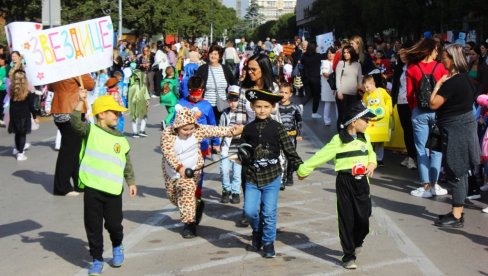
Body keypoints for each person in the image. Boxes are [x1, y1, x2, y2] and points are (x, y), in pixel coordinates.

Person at [297, 101, 377, 269]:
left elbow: (371, 154)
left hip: (362, 182)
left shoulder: (366, 138)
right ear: (354, 121)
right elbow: (321, 155)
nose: (368, 123)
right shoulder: (338, 140)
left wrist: (372, 164)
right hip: (345, 182)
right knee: (346, 219)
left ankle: (357, 241)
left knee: (364, 219)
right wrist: (304, 170)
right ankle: (348, 256)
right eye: (366, 120)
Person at [71, 92, 137, 275]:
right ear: (102, 114)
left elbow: (126, 162)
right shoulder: (90, 130)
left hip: (113, 190)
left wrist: (130, 181)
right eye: (114, 112)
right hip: (93, 188)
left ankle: (117, 245)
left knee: (115, 225)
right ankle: (97, 259)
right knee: (93, 227)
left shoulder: (120, 139)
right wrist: (80, 101)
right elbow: (75, 123)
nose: (118, 116)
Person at [161, 106, 243, 238]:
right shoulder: (167, 134)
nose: (188, 132)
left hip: (192, 170)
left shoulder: (198, 130)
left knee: (186, 192)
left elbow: (216, 130)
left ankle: (189, 225)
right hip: (172, 170)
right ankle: (196, 204)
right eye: (184, 129)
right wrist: (179, 168)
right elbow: (168, 153)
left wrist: (234, 131)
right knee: (174, 198)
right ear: (176, 127)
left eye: (190, 128)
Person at [241, 88, 303, 258]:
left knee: (269, 212)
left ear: (272, 108)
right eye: (259, 106)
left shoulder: (278, 128)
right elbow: (242, 152)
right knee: (249, 211)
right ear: (252, 106)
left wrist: (299, 167)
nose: (262, 110)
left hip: (272, 178)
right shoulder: (247, 129)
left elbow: (290, 150)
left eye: (266, 106)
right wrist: (242, 156)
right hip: (252, 178)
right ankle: (257, 231)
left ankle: (268, 242)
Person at [430, 44, 480, 228]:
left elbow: (433, 103)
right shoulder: (465, 79)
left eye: (444, 57)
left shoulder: (452, 81)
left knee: (457, 171)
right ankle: (457, 211)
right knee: (458, 171)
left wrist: (437, 85)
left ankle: (457, 216)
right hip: (462, 127)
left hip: (456, 130)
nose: (442, 60)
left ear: (452, 58)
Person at [405, 38, 449, 198]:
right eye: (436, 49)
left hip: (420, 111)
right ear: (431, 49)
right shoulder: (442, 67)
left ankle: (425, 186)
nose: (438, 51)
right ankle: (435, 184)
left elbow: (410, 94)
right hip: (439, 112)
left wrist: (413, 110)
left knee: (421, 149)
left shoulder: (412, 68)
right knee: (437, 149)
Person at [49, 74, 95, 196]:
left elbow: (50, 87)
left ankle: (79, 183)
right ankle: (62, 186)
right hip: (72, 110)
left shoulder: (55, 69)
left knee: (74, 149)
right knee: (69, 150)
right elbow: (90, 84)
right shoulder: (76, 69)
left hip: (58, 109)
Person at [391, 44, 417, 169]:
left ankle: (414, 157)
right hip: (401, 102)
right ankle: (410, 155)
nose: (403, 56)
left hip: (412, 102)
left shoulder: (414, 67)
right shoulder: (399, 69)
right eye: (400, 54)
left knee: (412, 130)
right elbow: (395, 87)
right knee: (406, 130)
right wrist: (392, 103)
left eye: (405, 53)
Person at [196, 44, 236, 122]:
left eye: (215, 54)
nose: (213, 56)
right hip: (206, 106)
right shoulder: (202, 69)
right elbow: (196, 84)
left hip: (223, 106)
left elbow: (234, 84)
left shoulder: (225, 69)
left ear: (219, 56)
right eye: (211, 53)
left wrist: (232, 99)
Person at [219, 86, 243, 204]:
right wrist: (217, 143)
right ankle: (226, 190)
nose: (233, 103)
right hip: (225, 148)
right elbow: (220, 129)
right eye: (230, 100)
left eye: (235, 100)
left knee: (237, 173)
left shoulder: (244, 114)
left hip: (238, 149)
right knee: (224, 170)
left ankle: (235, 192)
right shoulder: (225, 114)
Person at [361, 75, 392, 166]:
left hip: (381, 119)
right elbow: (364, 106)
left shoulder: (381, 91)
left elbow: (388, 99)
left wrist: (389, 110)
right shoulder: (366, 95)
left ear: (373, 83)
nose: (366, 89)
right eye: (364, 87)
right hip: (371, 120)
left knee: (379, 140)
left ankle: (379, 159)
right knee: (371, 139)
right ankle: (371, 158)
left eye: (367, 87)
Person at [8, 69, 38, 161]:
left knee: (17, 133)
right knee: (22, 134)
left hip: (14, 115)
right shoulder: (27, 92)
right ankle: (20, 153)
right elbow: (31, 106)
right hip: (24, 115)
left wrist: (11, 117)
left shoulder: (12, 90)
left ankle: (17, 149)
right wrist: (35, 116)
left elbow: (11, 105)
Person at [278, 82, 303, 189]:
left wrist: (299, 134)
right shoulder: (275, 107)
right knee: (280, 157)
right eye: (281, 92)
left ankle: (289, 175)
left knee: (290, 157)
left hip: (291, 137)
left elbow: (299, 122)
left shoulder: (295, 107)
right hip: (279, 136)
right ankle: (281, 178)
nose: (283, 94)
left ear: (290, 94)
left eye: (286, 92)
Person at [336, 45, 363, 129]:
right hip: (342, 94)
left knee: (352, 115)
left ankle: (349, 132)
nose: (345, 54)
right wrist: (339, 92)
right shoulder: (341, 63)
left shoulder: (358, 65)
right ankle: (341, 133)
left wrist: (362, 90)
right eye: (344, 52)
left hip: (354, 95)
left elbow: (359, 80)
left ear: (352, 53)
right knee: (342, 115)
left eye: (347, 52)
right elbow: (337, 78)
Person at [300, 42, 323, 118]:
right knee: (316, 96)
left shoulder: (304, 55)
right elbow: (325, 56)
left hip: (306, 78)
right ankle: (314, 113)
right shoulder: (317, 56)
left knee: (308, 94)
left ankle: (300, 106)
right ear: (314, 48)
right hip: (315, 78)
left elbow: (302, 63)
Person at [128, 69, 150, 138]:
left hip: (133, 103)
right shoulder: (143, 86)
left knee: (135, 117)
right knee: (144, 117)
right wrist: (148, 103)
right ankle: (142, 130)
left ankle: (135, 132)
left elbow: (129, 96)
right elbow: (146, 96)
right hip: (141, 103)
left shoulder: (131, 86)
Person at [321, 47, 337, 126]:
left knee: (337, 103)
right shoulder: (325, 62)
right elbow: (325, 73)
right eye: (328, 53)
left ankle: (339, 120)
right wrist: (334, 75)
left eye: (332, 53)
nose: (330, 54)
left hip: (336, 85)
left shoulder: (337, 62)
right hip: (328, 86)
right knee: (328, 103)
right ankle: (326, 121)